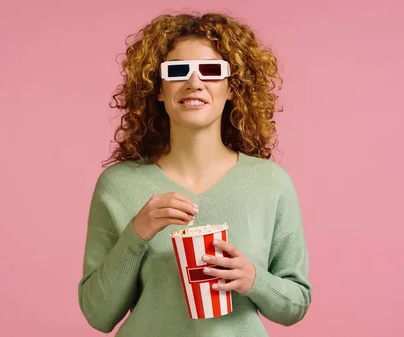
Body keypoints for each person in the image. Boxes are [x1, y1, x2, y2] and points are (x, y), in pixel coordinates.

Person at [78, 12, 311, 337]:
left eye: (212, 71)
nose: (194, 83)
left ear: (233, 88)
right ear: (158, 89)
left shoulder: (271, 184)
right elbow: (97, 313)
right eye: (177, 71)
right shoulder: (118, 185)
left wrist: (253, 279)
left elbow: (296, 304)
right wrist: (136, 233)